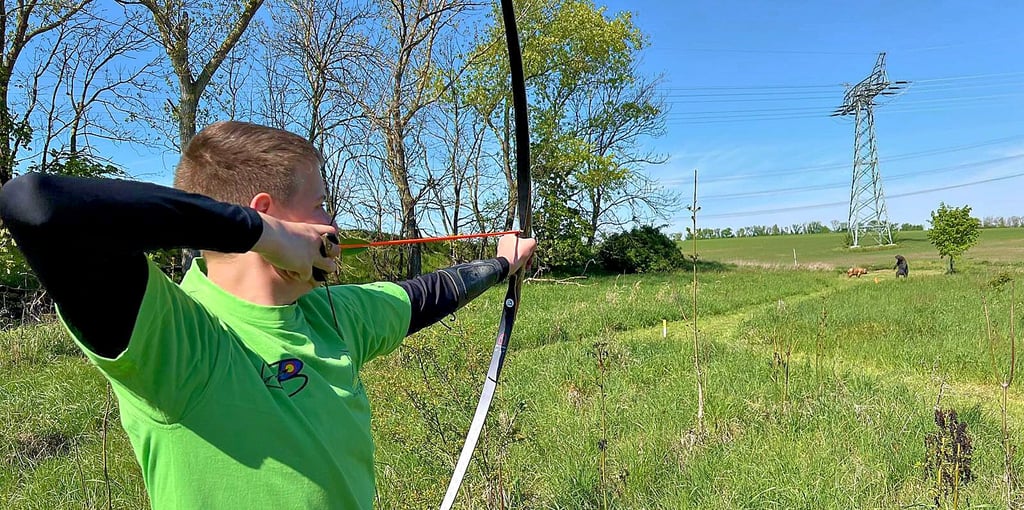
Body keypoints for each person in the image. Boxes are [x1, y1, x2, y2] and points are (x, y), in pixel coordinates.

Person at [0, 121, 536, 509]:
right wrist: (264, 236)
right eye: (321, 204)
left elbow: (425, 294)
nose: (332, 222)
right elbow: (36, 205)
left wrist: (501, 262)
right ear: (265, 213)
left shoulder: (330, 314)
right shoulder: (181, 341)